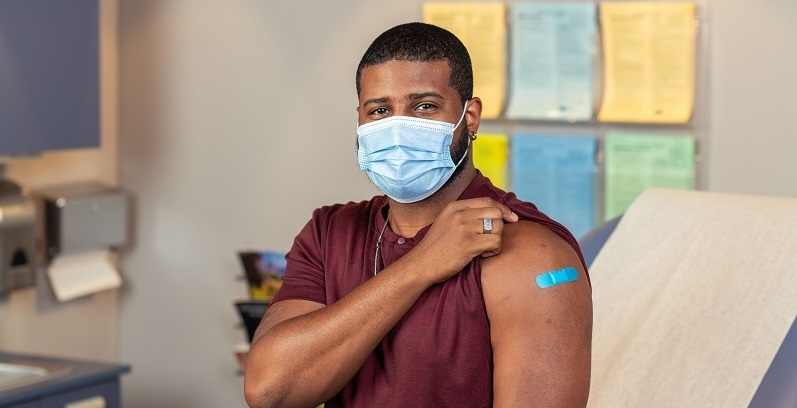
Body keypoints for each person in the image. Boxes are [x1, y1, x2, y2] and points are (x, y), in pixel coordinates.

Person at [244, 22, 592, 408]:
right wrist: (422, 263)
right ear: (359, 120)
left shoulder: (529, 253)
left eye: (424, 106)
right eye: (380, 110)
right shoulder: (330, 233)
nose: (397, 128)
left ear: (470, 116)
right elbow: (270, 391)